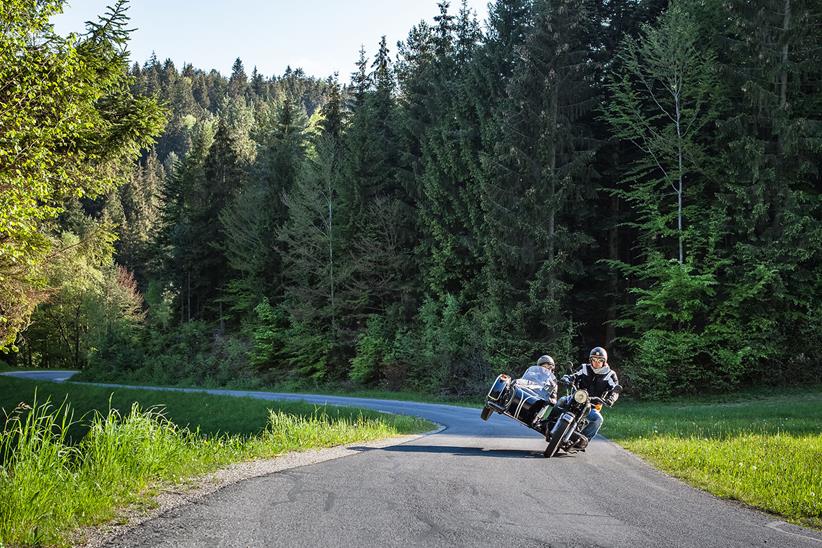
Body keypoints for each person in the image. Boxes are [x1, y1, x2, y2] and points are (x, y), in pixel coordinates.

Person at [551, 346, 619, 450]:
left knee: (598, 419)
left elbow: (615, 389)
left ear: (604, 361)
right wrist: (567, 378)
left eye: (600, 360)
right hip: (576, 398)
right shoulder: (584, 368)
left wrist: (611, 399)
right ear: (590, 360)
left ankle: (582, 440)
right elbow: (574, 375)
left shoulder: (610, 374)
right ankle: (548, 424)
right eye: (594, 359)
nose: (596, 362)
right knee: (561, 401)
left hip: (592, 405)